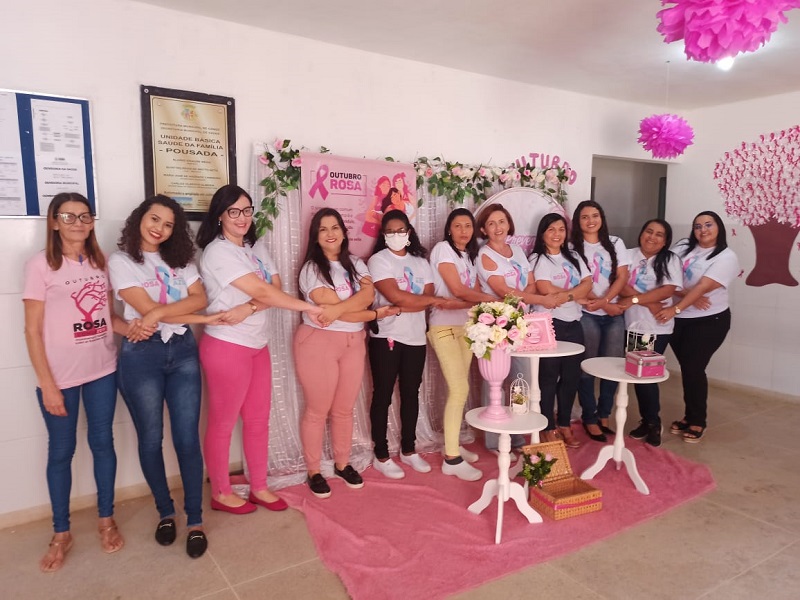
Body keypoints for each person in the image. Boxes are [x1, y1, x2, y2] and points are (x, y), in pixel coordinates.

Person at [196, 185, 326, 513]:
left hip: (257, 344)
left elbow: (275, 288)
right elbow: (266, 292)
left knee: (257, 420)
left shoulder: (255, 247)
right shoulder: (217, 252)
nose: (242, 218)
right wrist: (307, 308)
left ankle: (259, 486)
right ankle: (221, 492)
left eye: (247, 210)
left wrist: (249, 307)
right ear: (220, 216)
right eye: (233, 211)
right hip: (227, 345)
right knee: (223, 422)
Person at [23, 193, 131, 572]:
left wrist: (135, 328)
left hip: (102, 369)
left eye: (85, 216)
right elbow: (32, 331)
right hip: (60, 378)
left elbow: (108, 317)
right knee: (61, 452)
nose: (78, 223)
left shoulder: (101, 262)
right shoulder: (40, 265)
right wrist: (47, 384)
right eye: (68, 217)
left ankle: (106, 519)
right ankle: (61, 532)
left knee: (103, 443)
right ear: (54, 222)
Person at [110, 195, 216, 559]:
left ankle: (195, 519)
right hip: (142, 356)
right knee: (150, 438)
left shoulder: (182, 260)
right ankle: (166, 512)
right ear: (140, 218)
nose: (160, 228)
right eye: (154, 219)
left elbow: (200, 298)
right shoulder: (122, 261)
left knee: (187, 439)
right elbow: (144, 307)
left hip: (183, 350)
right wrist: (157, 313)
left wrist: (156, 315)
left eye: (169, 224)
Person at [295, 207, 399, 498]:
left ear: (343, 232)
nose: (330, 234)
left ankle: (342, 463)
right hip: (318, 342)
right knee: (317, 410)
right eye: (323, 229)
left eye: (335, 227)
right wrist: (372, 314)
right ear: (315, 236)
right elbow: (341, 309)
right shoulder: (311, 269)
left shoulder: (356, 263)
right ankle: (314, 471)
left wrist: (341, 309)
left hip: (353, 342)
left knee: (344, 409)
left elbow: (366, 296)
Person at [475, 204, 559, 451]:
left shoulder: (518, 251)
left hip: (521, 324)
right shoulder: (485, 255)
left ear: (509, 224)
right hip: (495, 326)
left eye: (502, 221)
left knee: (521, 380)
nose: (498, 227)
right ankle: (494, 441)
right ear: (484, 229)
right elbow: (504, 291)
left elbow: (529, 284)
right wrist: (538, 299)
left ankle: (518, 436)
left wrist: (524, 299)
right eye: (491, 223)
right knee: (495, 382)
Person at [368, 209, 444, 479]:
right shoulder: (378, 260)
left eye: (401, 230)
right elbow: (396, 295)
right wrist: (410, 302)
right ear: (383, 235)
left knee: (411, 393)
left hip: (415, 337)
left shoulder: (421, 262)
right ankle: (381, 454)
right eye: (390, 231)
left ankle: (409, 449)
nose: (396, 235)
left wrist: (404, 305)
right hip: (387, 337)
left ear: (409, 232)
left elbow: (424, 298)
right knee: (383, 394)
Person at [656, 211, 739, 443]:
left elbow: (702, 287)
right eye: (698, 226)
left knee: (694, 367)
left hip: (709, 320)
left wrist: (676, 307)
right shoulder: (683, 247)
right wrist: (686, 297)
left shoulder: (726, 257)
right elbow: (666, 275)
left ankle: (697, 420)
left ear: (719, 227)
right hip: (680, 320)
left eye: (708, 225)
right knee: (688, 368)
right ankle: (689, 415)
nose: (703, 230)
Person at [428, 208, 496, 481]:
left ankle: (452, 444)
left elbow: (470, 293)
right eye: (458, 226)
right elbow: (457, 290)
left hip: (467, 327)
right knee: (459, 389)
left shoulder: (470, 256)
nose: (464, 231)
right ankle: (451, 459)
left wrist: (464, 302)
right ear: (449, 229)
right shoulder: (443, 250)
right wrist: (485, 300)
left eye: (468, 226)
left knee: (459, 389)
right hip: (443, 327)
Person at [617, 219, 682, 447]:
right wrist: (648, 302)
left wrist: (636, 300)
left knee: (648, 376)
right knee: (638, 375)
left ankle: (653, 422)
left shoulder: (670, 259)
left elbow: (667, 290)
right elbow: (621, 283)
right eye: (649, 231)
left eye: (659, 235)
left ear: (665, 241)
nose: (652, 237)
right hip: (632, 325)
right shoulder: (628, 255)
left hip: (657, 326)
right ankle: (647, 420)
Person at [530, 213, 592, 447]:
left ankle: (564, 423)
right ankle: (547, 426)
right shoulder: (537, 259)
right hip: (549, 323)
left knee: (571, 377)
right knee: (547, 378)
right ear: (542, 234)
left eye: (561, 229)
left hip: (574, 324)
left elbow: (588, 284)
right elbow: (544, 288)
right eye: (551, 229)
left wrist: (567, 296)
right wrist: (576, 295)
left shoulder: (574, 256)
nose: (557, 234)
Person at [570, 200, 630, 442]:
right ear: (578, 221)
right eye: (585, 217)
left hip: (613, 314)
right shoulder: (572, 246)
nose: (590, 221)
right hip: (587, 313)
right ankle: (590, 416)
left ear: (602, 218)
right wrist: (603, 303)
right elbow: (578, 281)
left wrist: (606, 301)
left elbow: (622, 276)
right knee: (587, 367)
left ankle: (604, 414)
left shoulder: (616, 243)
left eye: (595, 215)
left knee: (613, 366)